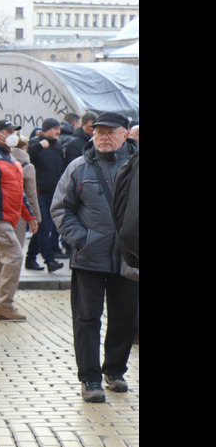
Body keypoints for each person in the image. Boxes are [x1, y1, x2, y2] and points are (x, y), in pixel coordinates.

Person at [51, 111, 139, 403]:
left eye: (110, 132)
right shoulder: (78, 167)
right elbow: (62, 209)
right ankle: (89, 379)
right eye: (99, 132)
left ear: (125, 134)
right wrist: (81, 240)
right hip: (89, 257)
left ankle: (114, 371)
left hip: (129, 258)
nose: (103, 137)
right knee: (87, 319)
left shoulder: (137, 167)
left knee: (125, 318)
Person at [0, 121, 38, 321]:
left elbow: (17, 191)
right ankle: (4, 305)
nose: (13, 135)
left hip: (6, 218)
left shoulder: (10, 157)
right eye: (8, 132)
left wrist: (29, 215)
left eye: (14, 132)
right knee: (15, 257)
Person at [26, 118, 67, 272]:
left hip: (54, 193)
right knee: (44, 227)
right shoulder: (36, 144)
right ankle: (49, 260)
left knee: (43, 227)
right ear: (46, 129)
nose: (58, 131)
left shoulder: (58, 146)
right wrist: (37, 147)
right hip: (39, 193)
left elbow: (61, 168)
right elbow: (26, 159)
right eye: (55, 128)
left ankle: (30, 258)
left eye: (59, 128)